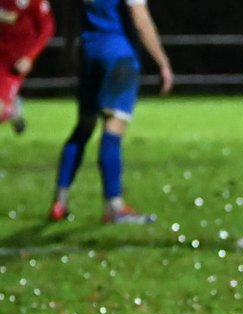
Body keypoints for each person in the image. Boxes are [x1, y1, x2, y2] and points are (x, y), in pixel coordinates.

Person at [47, 0, 173, 225]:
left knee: (83, 127)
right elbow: (140, 19)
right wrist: (162, 62)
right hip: (118, 54)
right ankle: (114, 206)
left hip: (89, 51)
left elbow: (71, 15)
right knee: (113, 128)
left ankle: (59, 201)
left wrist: (69, 49)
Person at [0, 0, 54, 135]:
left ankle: (10, 110)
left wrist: (30, 56)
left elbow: (47, 27)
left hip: (13, 63)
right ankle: (12, 108)